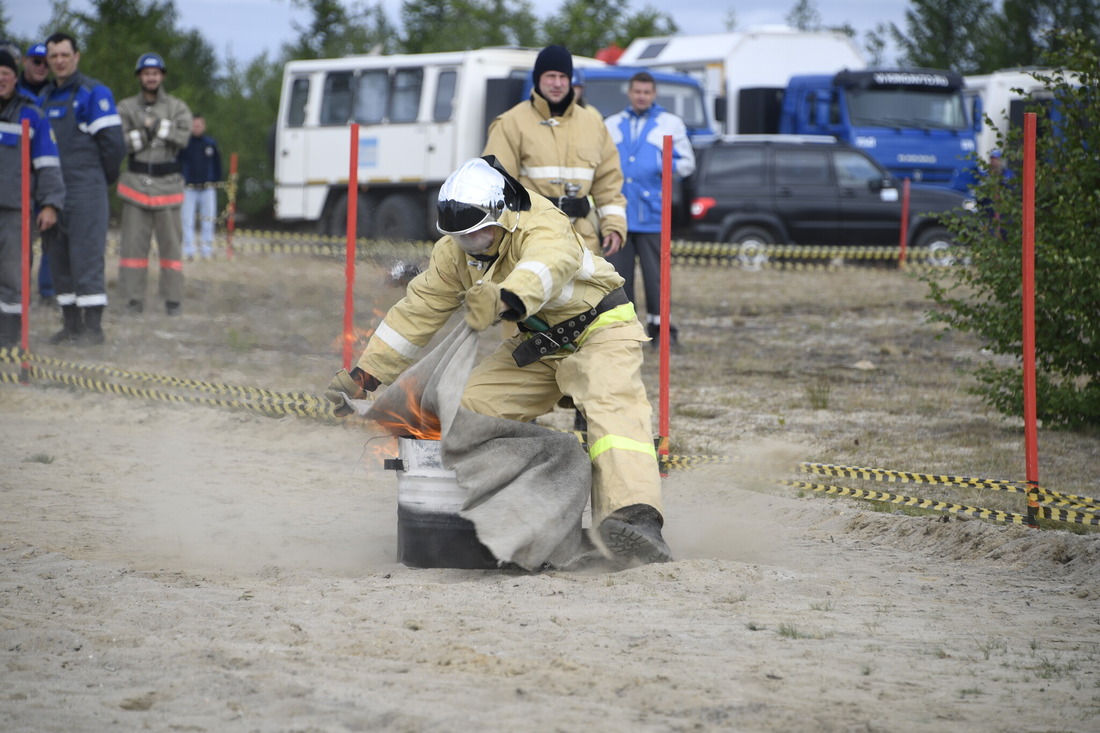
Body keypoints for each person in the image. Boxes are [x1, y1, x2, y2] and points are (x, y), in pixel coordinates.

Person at [324, 156, 672, 567]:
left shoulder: (542, 223)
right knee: (463, 413)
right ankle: (528, 522)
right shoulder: (455, 250)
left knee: (613, 410)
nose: (472, 245)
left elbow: (546, 267)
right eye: (462, 238)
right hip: (538, 346)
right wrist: (365, 376)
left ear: (500, 211)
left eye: (478, 234)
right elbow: (417, 311)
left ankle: (633, 521)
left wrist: (505, 298)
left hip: (600, 330)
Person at [483, 44, 626, 258]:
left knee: (587, 292)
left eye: (563, 76)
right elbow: (493, 185)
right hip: (531, 236)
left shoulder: (594, 124)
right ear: (538, 78)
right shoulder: (511, 123)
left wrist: (613, 225)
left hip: (582, 239)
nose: (557, 83)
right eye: (551, 76)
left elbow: (609, 184)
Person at [39, 32, 126, 345]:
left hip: (86, 188)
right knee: (59, 260)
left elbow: (114, 146)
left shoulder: (93, 93)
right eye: (54, 56)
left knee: (86, 258)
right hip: (51, 194)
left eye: (65, 54)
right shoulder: (43, 99)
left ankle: (93, 329)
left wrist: (101, 179)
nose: (60, 61)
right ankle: (70, 325)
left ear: (77, 56)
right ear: (48, 61)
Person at [604, 71, 696, 346]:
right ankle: (625, 331)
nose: (642, 96)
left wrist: (658, 165)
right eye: (637, 91)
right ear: (629, 93)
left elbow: (687, 163)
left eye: (647, 92)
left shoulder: (670, 124)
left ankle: (661, 329)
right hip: (618, 214)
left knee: (656, 277)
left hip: (653, 215)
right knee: (618, 277)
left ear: (654, 94)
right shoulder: (612, 124)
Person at [116, 52, 192, 316]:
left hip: (169, 186)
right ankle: (132, 300)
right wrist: (154, 131)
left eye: (155, 73)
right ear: (139, 77)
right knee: (133, 248)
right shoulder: (125, 107)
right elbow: (121, 143)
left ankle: (173, 301)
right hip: (135, 185)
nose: (151, 77)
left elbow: (183, 138)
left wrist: (155, 125)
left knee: (171, 248)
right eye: (146, 73)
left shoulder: (177, 107)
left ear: (162, 76)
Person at [0, 48, 64, 347]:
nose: (1, 79)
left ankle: (9, 337)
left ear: (15, 78)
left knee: (13, 276)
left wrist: (50, 203)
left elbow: (48, 163)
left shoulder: (32, 114)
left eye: (6, 74)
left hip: (15, 210)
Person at [16, 42, 56, 302]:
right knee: (19, 240)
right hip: (19, 178)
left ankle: (49, 292)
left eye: (45, 62)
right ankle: (18, 294)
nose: (42, 67)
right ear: (24, 62)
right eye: (36, 61)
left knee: (53, 237)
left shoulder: (59, 92)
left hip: (50, 173)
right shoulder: (11, 92)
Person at [178, 113, 222, 260]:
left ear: (204, 126)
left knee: (208, 220)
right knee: (187, 220)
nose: (197, 127)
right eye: (194, 125)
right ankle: (189, 250)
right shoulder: (184, 144)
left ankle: (206, 251)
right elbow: (177, 163)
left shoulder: (210, 143)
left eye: (199, 125)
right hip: (189, 188)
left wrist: (215, 180)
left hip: (207, 188)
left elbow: (217, 164)